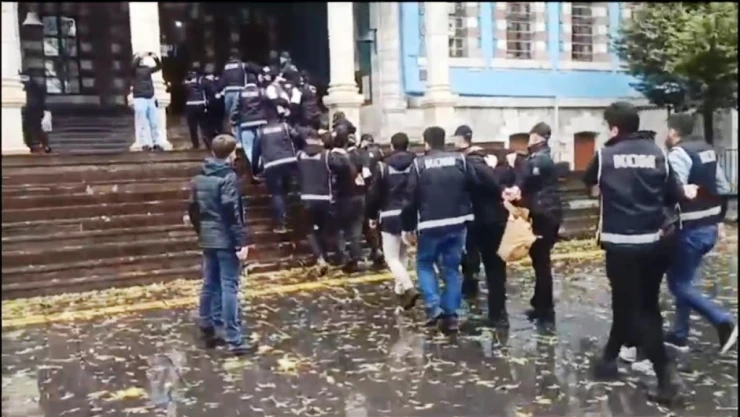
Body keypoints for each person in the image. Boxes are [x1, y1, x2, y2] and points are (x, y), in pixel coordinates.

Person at [582, 101, 694, 403]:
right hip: (655, 243)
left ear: (613, 127)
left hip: (621, 245)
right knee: (633, 303)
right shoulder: (658, 154)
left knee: (641, 310)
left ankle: (667, 379)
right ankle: (608, 360)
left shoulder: (605, 155)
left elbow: (588, 182)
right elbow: (673, 195)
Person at [663, 113, 737, 355]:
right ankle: (679, 334)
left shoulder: (679, 154)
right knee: (685, 281)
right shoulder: (707, 150)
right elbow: (723, 186)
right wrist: (719, 219)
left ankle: (723, 321)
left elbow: (675, 190)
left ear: (673, 132)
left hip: (689, 229)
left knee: (677, 284)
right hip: (709, 228)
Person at [401, 126, 476, 333]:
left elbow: (410, 199)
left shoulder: (419, 165)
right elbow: (474, 185)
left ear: (426, 143)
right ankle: (451, 313)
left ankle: (434, 306)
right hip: (458, 222)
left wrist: (408, 227)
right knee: (452, 268)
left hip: (430, 224)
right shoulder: (460, 160)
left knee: (425, 263)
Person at [187, 134, 254, 355]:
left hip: (207, 236)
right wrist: (240, 241)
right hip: (225, 237)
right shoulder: (228, 177)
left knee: (209, 283)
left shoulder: (199, 177)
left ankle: (208, 324)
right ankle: (234, 338)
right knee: (229, 286)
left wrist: (201, 231)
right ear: (231, 153)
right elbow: (231, 210)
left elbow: (193, 208)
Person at [503, 122, 562, 325]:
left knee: (541, 262)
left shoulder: (539, 159)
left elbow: (526, 179)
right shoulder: (542, 157)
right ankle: (540, 302)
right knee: (540, 261)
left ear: (536, 137)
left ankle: (544, 309)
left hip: (543, 215)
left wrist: (515, 164)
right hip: (547, 213)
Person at [453, 125, 512, 328]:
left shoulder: (469, 165)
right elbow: (499, 186)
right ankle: (498, 312)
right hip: (493, 219)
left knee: (480, 262)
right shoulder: (489, 163)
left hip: (477, 220)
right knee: (495, 267)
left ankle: (487, 306)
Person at [366, 132, 419, 309]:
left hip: (389, 215)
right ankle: (400, 289)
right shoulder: (416, 163)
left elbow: (374, 194)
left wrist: (371, 215)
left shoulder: (382, 167)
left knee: (391, 257)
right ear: (408, 146)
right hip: (411, 214)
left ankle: (409, 287)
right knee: (403, 253)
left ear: (391, 146)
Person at [295, 127, 338, 273]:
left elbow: (296, 173)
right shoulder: (326, 155)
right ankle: (325, 256)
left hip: (307, 197)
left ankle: (320, 258)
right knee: (324, 229)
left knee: (310, 230)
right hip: (325, 197)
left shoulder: (300, 155)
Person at [259, 111, 303, 233]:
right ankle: (295, 218)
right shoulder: (285, 126)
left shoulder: (261, 131)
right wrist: (299, 150)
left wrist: (255, 168)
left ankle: (281, 223)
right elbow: (298, 137)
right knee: (289, 189)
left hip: (271, 164)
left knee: (276, 193)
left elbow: (256, 149)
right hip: (289, 160)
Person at [331, 124, 366, 273]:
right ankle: (357, 257)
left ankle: (343, 256)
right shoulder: (355, 155)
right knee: (355, 230)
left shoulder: (333, 158)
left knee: (339, 228)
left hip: (343, 197)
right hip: (359, 196)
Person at [232, 73, 267, 179]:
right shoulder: (261, 91)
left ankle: (252, 168)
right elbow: (267, 105)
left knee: (248, 147)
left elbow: (235, 108)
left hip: (245, 123)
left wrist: (233, 120)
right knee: (262, 145)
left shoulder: (240, 93)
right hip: (261, 122)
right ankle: (260, 166)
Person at [131, 52, 166, 152]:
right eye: (140, 59)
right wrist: (140, 56)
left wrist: (155, 58)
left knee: (154, 122)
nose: (142, 60)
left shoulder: (147, 69)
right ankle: (144, 143)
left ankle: (156, 142)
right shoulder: (133, 70)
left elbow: (159, 67)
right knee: (142, 122)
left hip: (150, 97)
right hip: (139, 97)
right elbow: (133, 65)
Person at [19, 70, 51, 154]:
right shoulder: (35, 86)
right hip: (33, 109)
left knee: (34, 128)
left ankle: (42, 145)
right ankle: (39, 145)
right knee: (31, 128)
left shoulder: (32, 87)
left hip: (33, 110)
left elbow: (38, 99)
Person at [217, 50, 248, 134]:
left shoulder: (226, 66)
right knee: (237, 112)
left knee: (229, 112)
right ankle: (237, 131)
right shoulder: (242, 65)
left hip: (228, 91)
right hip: (239, 90)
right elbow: (255, 69)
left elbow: (222, 80)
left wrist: (218, 90)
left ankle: (232, 130)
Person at [183, 65, 209, 149]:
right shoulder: (203, 80)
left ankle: (195, 145)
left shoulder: (186, 81)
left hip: (189, 105)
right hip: (201, 104)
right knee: (203, 125)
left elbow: (183, 92)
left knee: (192, 127)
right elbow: (210, 91)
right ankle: (207, 143)